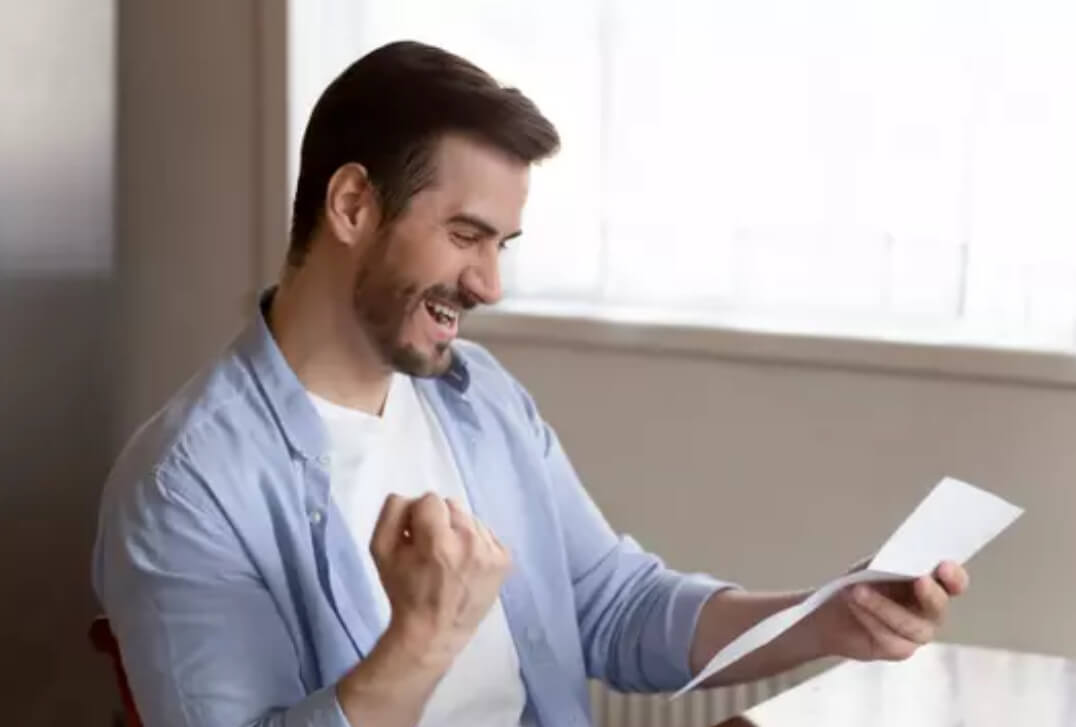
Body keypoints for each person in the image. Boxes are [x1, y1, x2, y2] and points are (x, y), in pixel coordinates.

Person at [92, 40, 969, 727]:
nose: (489, 285)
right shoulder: (186, 484)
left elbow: (615, 606)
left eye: (500, 246)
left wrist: (824, 619)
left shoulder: (480, 400)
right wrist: (422, 637)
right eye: (466, 235)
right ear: (353, 205)